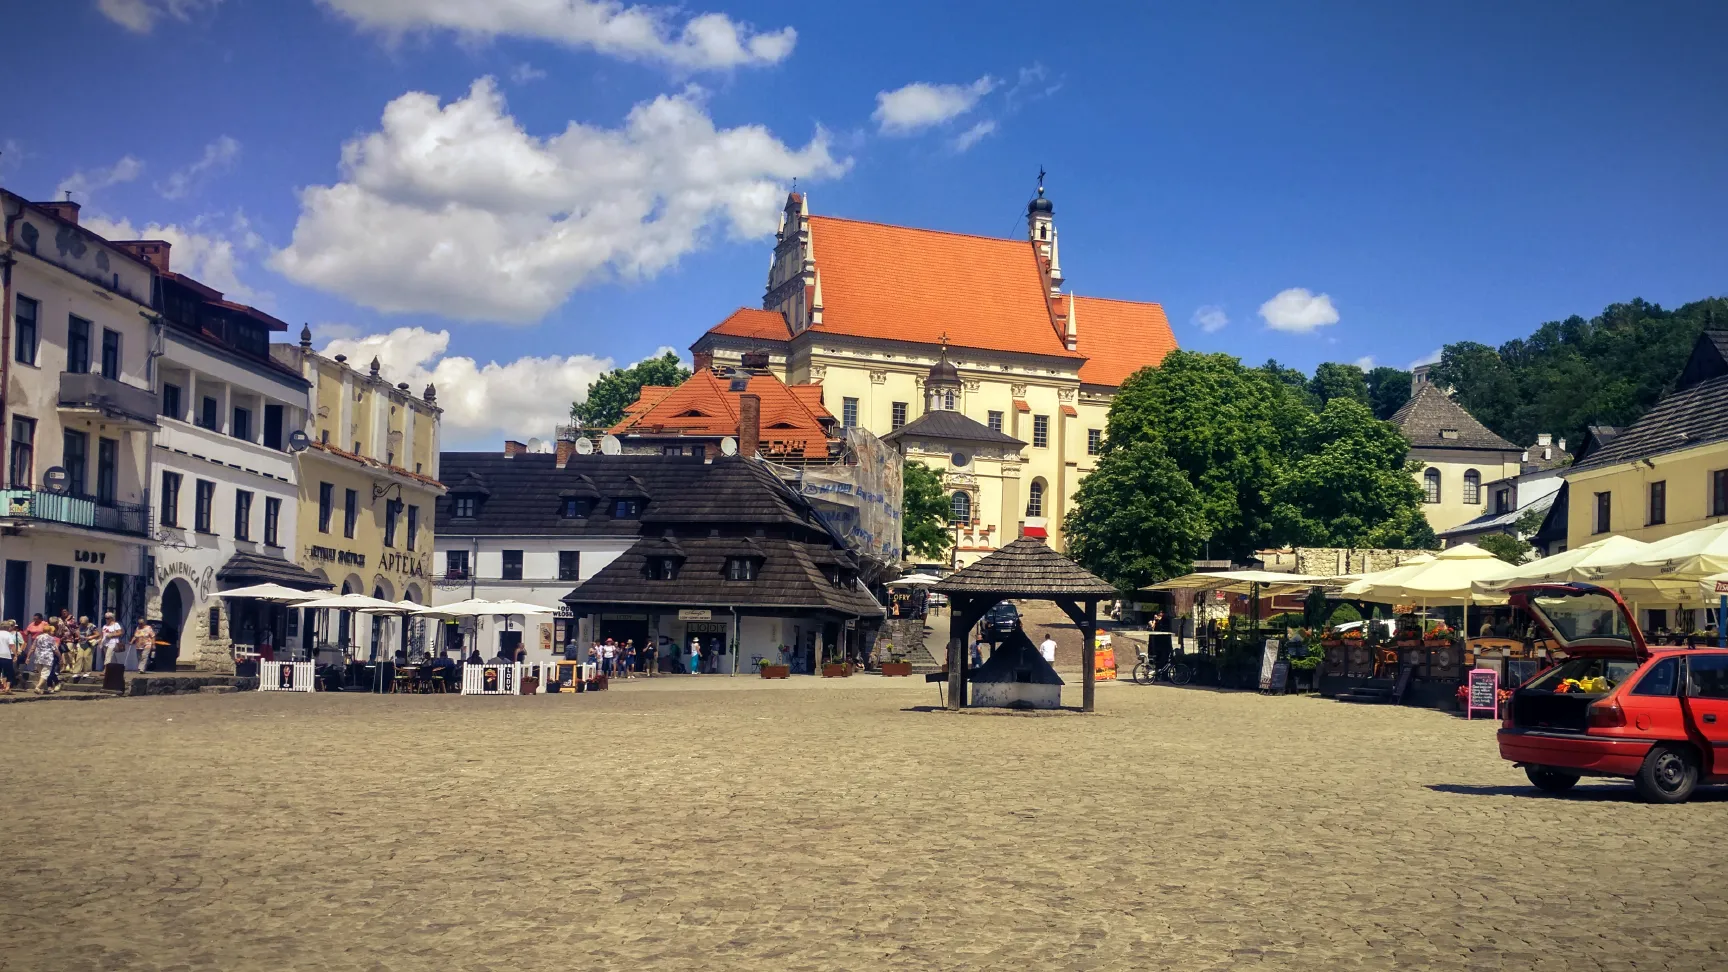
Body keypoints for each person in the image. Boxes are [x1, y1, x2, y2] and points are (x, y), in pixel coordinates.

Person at [0, 620, 17, 693]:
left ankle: (1, 688)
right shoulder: (8, 634)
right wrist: (15, 654)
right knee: (8, 673)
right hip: (6, 656)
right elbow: (12, 645)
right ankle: (7, 688)